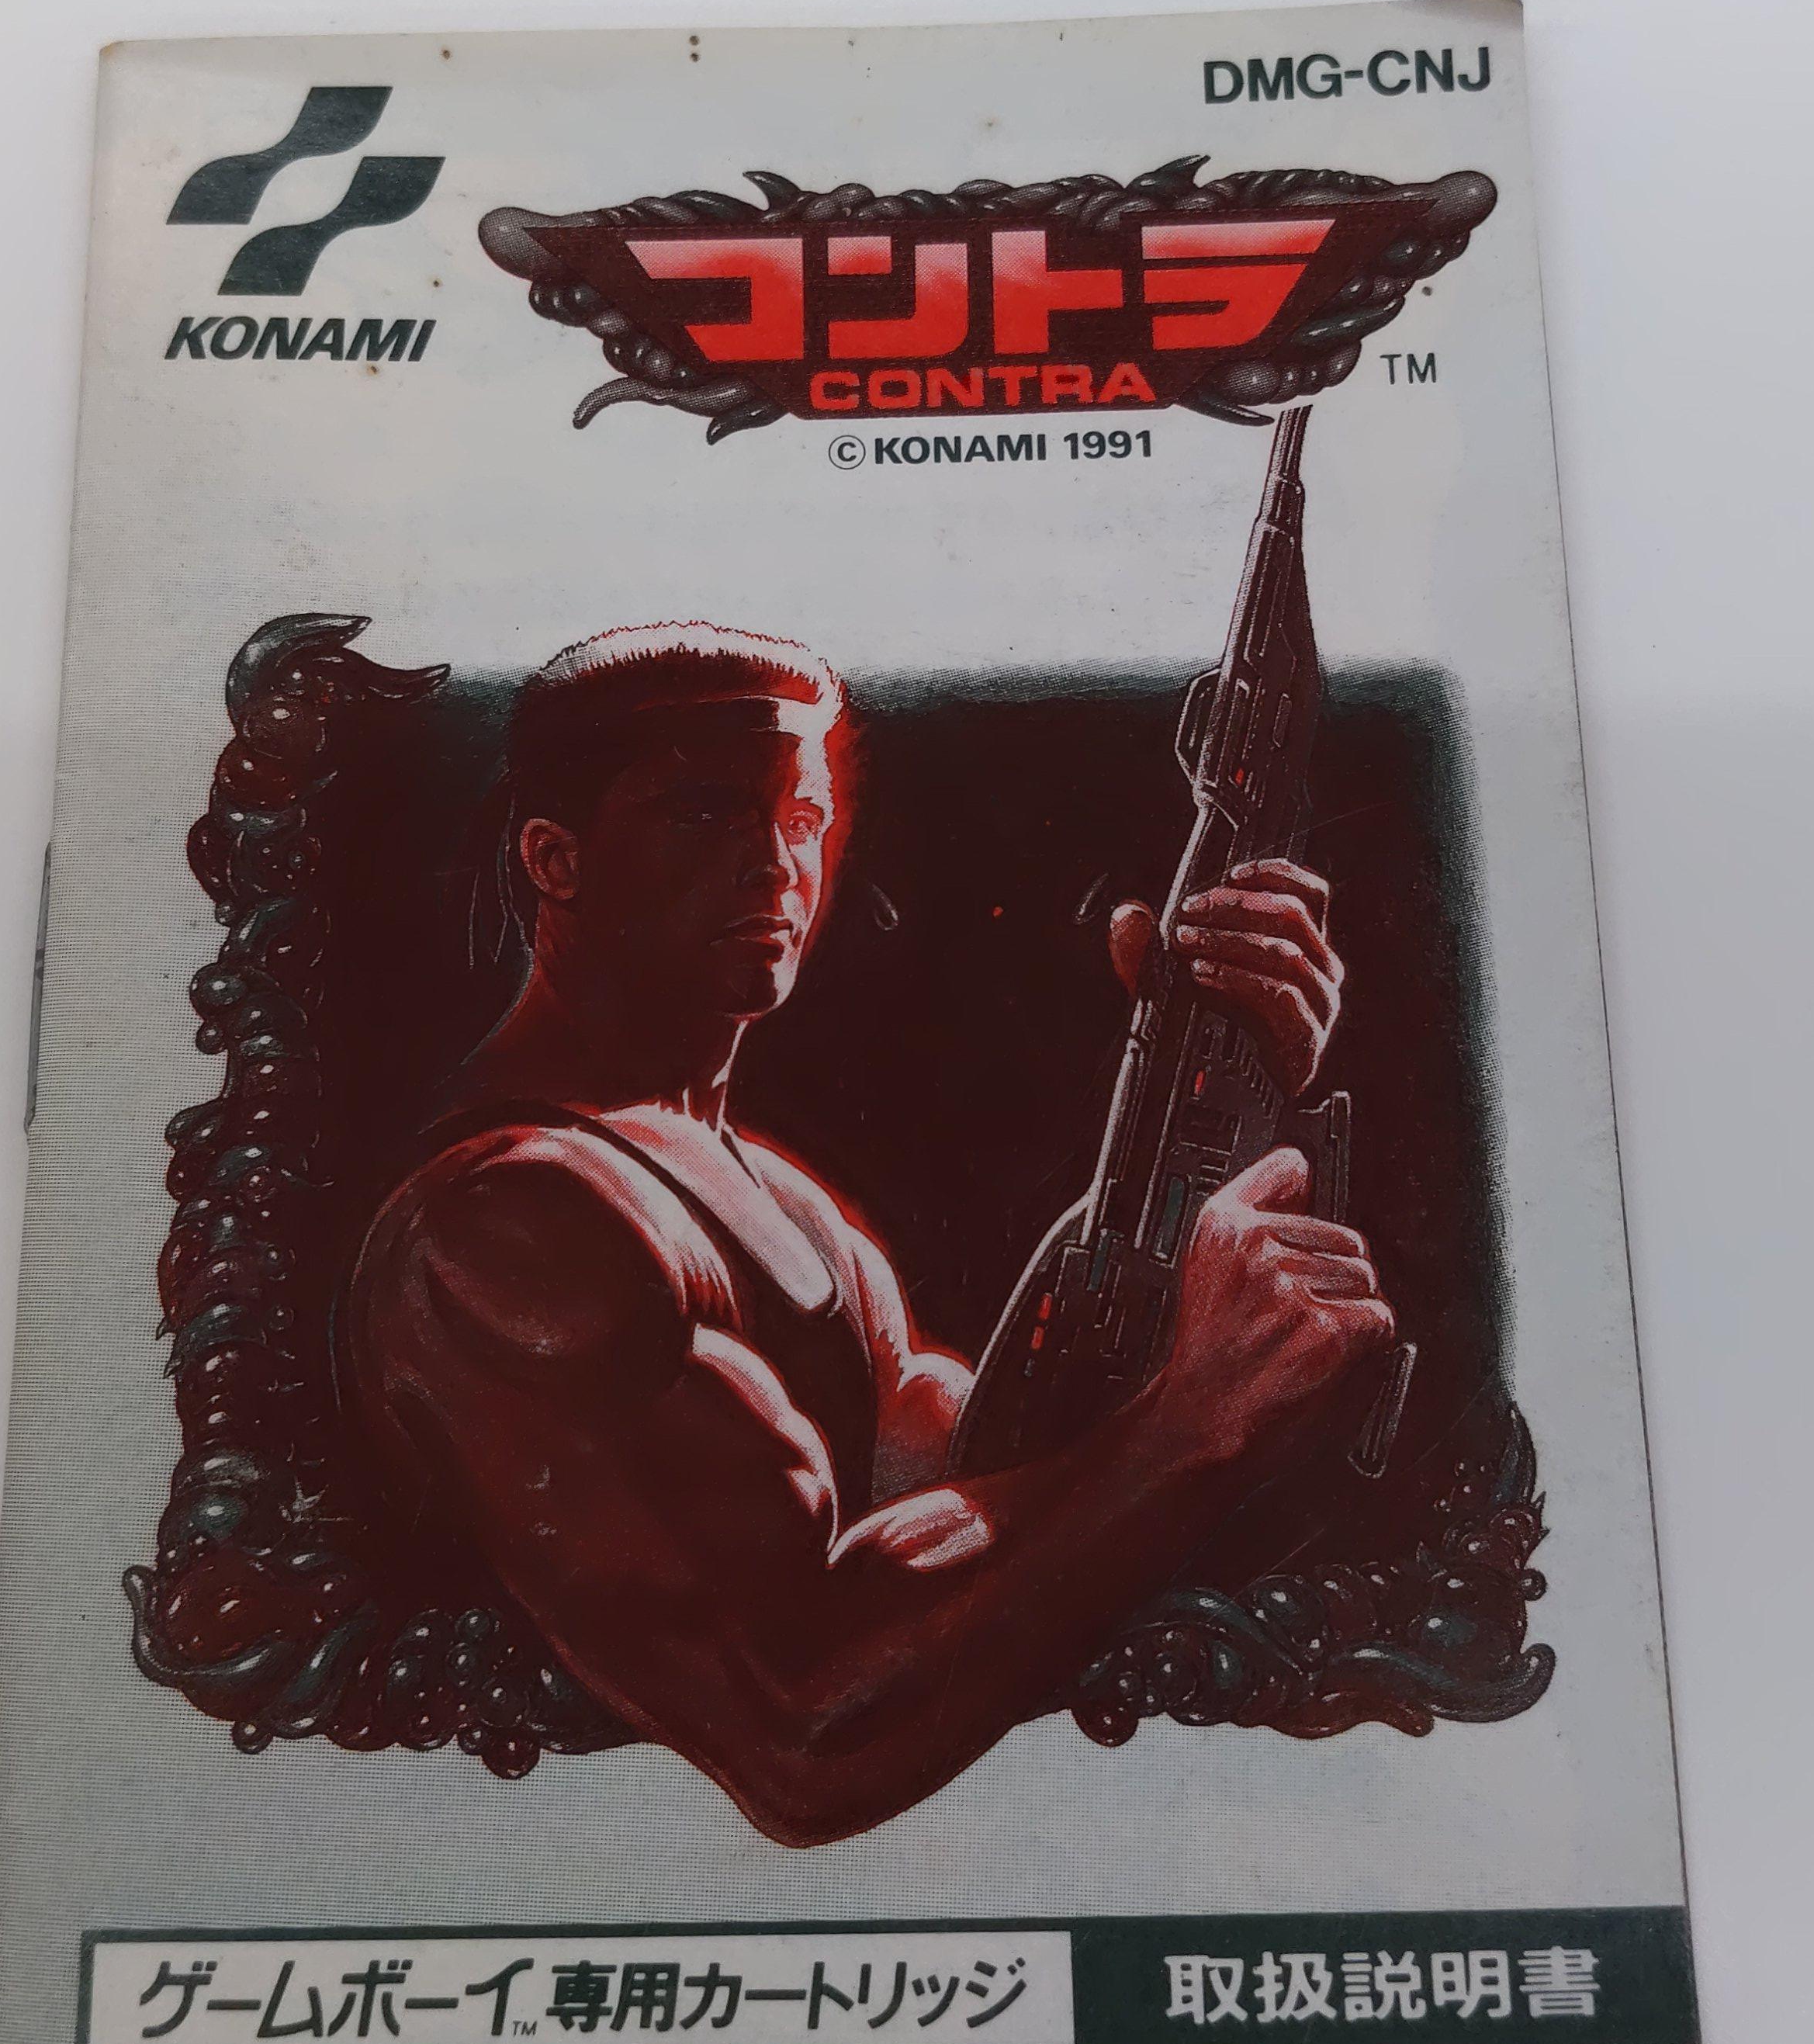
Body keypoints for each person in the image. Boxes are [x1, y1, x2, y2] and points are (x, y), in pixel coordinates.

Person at [346, 624, 1393, 1846]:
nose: (772, 865)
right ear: (555, 857)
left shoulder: (787, 1209)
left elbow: (988, 1493)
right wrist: (1191, 1424)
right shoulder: (509, 1222)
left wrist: (1212, 1104)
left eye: (800, 819)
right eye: (703, 812)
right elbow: (802, 1727)